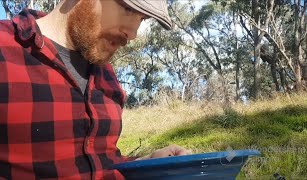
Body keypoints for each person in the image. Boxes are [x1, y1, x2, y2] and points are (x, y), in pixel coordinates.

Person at [0, 0, 192, 179]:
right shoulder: (4, 48)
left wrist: (146, 162)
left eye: (142, 19)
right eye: (128, 9)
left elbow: (100, 164)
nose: (132, 34)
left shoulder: (107, 76)